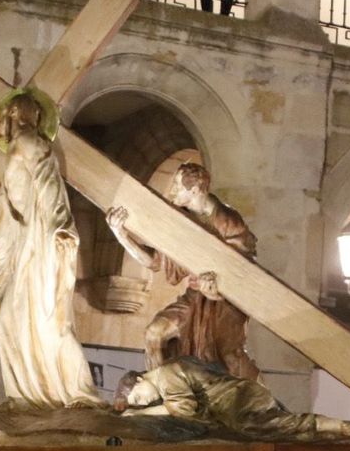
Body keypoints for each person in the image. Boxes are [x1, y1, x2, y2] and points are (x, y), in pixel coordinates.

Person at [0, 90, 102, 408]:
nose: (1, 125)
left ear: (17, 116)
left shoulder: (32, 143)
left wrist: (59, 231)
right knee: (10, 321)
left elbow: (50, 189)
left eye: (6, 117)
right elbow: (9, 203)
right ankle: (23, 395)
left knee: (51, 320)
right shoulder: (18, 150)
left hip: (38, 245)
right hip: (16, 247)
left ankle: (78, 392)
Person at [107, 161, 261, 382]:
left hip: (226, 307)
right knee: (154, 334)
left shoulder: (229, 222)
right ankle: (163, 393)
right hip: (195, 297)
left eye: (178, 187)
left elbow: (246, 272)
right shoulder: (181, 221)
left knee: (224, 362)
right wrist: (121, 235)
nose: (172, 192)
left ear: (196, 190)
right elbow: (154, 260)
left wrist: (217, 291)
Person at [113, 358, 350, 441]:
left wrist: (139, 415)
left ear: (140, 379)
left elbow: (182, 410)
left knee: (285, 427)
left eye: (140, 397)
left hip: (239, 400)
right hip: (234, 404)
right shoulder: (166, 378)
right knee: (291, 430)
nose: (146, 401)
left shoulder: (167, 374)